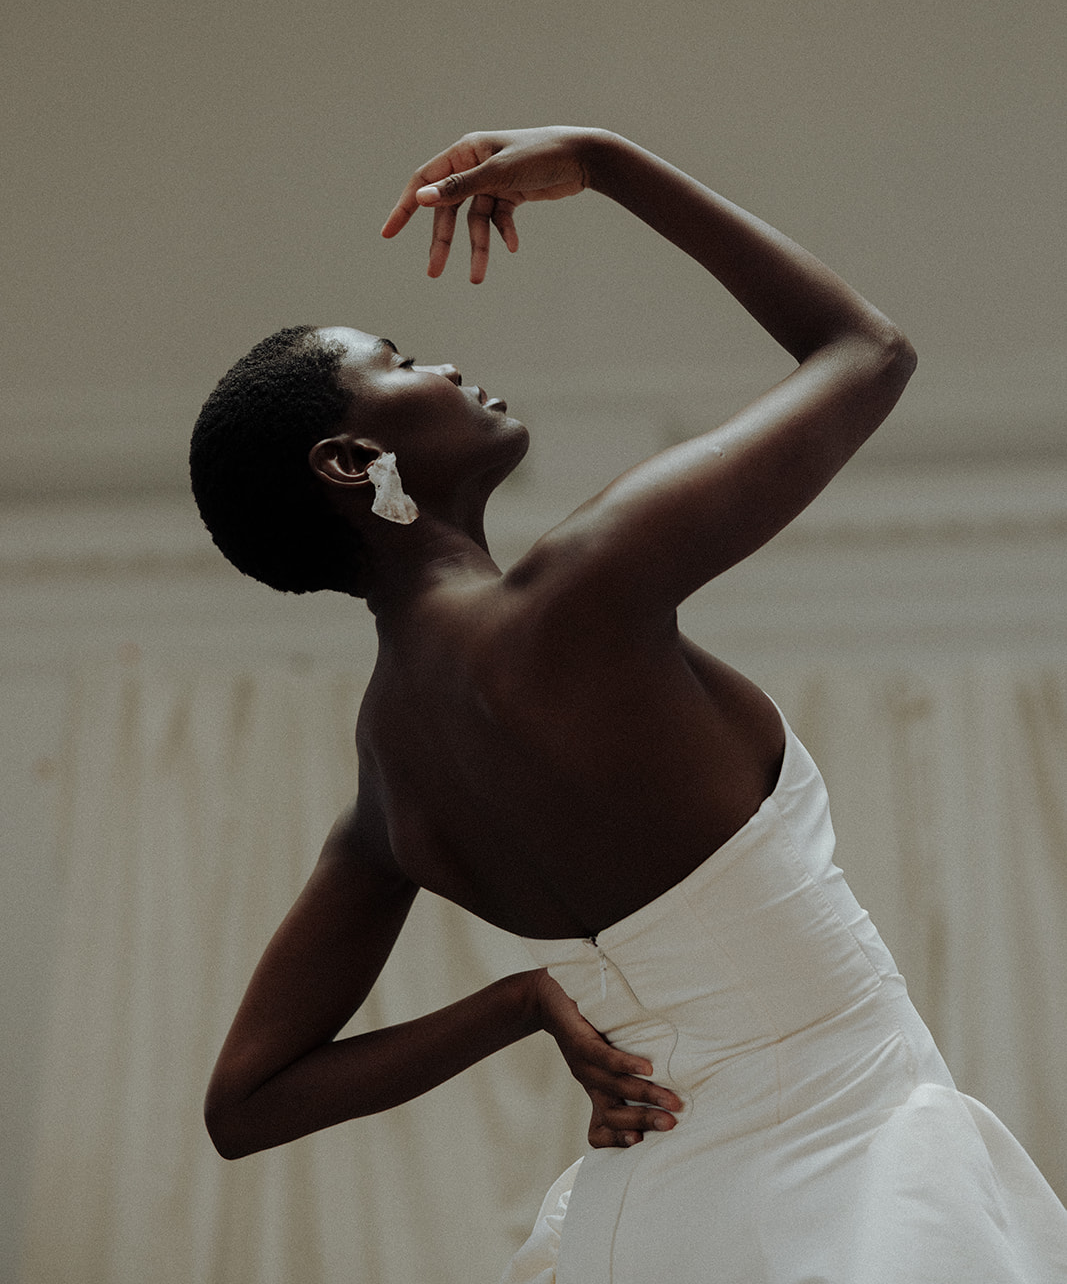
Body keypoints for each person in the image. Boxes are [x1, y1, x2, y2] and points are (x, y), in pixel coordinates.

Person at [191, 127, 1067, 1282]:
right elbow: (866, 350)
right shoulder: (581, 589)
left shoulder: (386, 785)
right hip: (860, 1171)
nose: (445, 365)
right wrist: (605, 163)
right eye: (400, 360)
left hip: (662, 1217)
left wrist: (517, 1003)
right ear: (351, 463)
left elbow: (246, 1102)